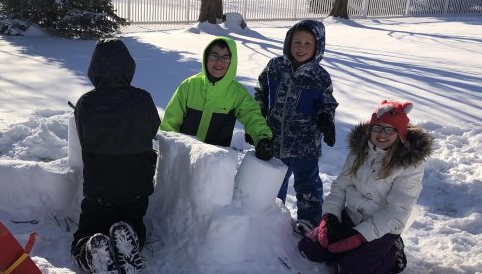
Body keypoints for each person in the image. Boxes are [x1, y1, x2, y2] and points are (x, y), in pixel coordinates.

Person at [298, 100, 432, 274]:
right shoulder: (359, 152)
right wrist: (329, 217)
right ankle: (352, 252)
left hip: (383, 227)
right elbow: (340, 186)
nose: (382, 134)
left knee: (351, 268)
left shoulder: (409, 165)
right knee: (309, 248)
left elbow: (396, 212)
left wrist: (359, 236)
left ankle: (392, 254)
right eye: (377, 127)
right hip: (351, 216)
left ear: (400, 133)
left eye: (390, 129)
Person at [71, 38, 160, 274]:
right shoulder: (143, 99)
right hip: (137, 186)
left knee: (89, 228)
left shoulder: (86, 103)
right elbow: (154, 128)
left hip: (100, 187)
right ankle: (130, 238)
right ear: (129, 67)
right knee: (135, 221)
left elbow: (82, 136)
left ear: (94, 69)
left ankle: (90, 251)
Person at [254, 19, 338, 234]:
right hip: (275, 139)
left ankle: (309, 222)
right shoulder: (275, 67)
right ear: (288, 42)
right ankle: (271, 215)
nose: (301, 48)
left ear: (318, 46)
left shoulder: (319, 77)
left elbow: (327, 103)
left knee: (308, 185)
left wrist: (325, 119)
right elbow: (261, 89)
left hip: (305, 144)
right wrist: (259, 110)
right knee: (274, 180)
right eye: (297, 42)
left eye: (307, 43)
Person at [159, 36, 273, 154]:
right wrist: (166, 149)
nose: (219, 62)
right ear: (206, 57)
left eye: (226, 58)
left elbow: (252, 116)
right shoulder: (189, 86)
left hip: (215, 162)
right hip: (184, 157)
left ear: (232, 62)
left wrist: (262, 138)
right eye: (214, 56)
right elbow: (170, 123)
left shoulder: (237, 93)